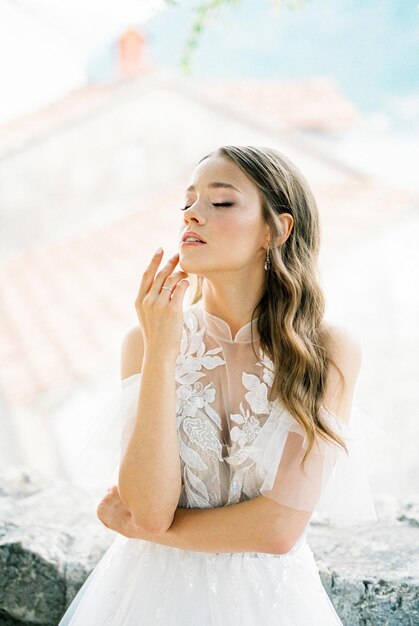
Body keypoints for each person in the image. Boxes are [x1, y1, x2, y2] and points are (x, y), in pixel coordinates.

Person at [58, 145, 381, 625]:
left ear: (276, 229)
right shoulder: (145, 341)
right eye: (188, 202)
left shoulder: (327, 350)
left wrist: (148, 531)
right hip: (146, 598)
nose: (192, 214)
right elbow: (149, 510)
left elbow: (277, 529)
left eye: (221, 202)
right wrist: (162, 352)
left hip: (272, 603)